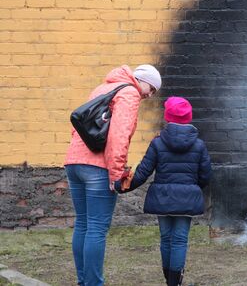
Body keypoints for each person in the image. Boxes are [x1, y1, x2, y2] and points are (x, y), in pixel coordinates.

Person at [64, 64, 162, 286]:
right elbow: (119, 135)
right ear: (141, 80)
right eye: (152, 88)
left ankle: (84, 282)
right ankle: (93, 283)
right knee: (96, 227)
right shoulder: (129, 92)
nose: (150, 94)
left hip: (74, 161)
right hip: (98, 167)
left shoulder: (103, 87)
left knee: (83, 224)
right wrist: (116, 174)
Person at [116, 96, 212, 286]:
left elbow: (143, 172)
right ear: (189, 118)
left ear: (167, 118)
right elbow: (206, 175)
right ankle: (174, 283)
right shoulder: (199, 145)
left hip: (162, 198)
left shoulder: (158, 143)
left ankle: (170, 281)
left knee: (166, 238)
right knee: (179, 240)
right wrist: (192, 189)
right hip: (186, 198)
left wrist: (121, 186)